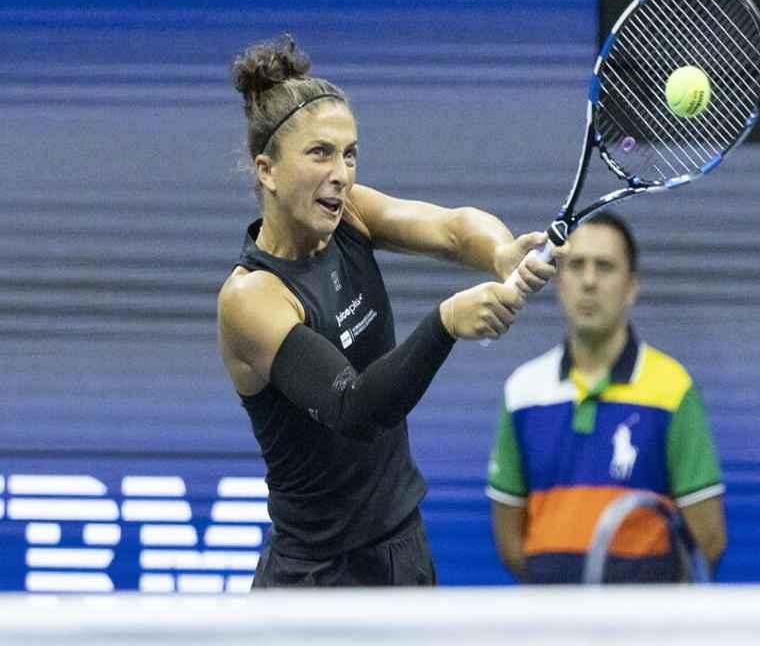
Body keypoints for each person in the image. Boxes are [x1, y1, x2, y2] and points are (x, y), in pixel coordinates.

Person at [216, 34, 560, 587]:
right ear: (267, 170)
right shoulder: (251, 297)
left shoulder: (350, 215)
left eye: (349, 153)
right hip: (317, 579)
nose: (342, 173)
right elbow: (354, 409)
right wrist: (445, 324)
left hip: (403, 549)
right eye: (320, 152)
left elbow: (453, 229)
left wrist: (499, 251)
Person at [486, 212, 726, 583]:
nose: (589, 281)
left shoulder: (673, 389)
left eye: (605, 267)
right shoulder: (522, 392)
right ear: (558, 280)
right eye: (576, 266)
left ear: (632, 286)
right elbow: (509, 542)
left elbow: (708, 538)